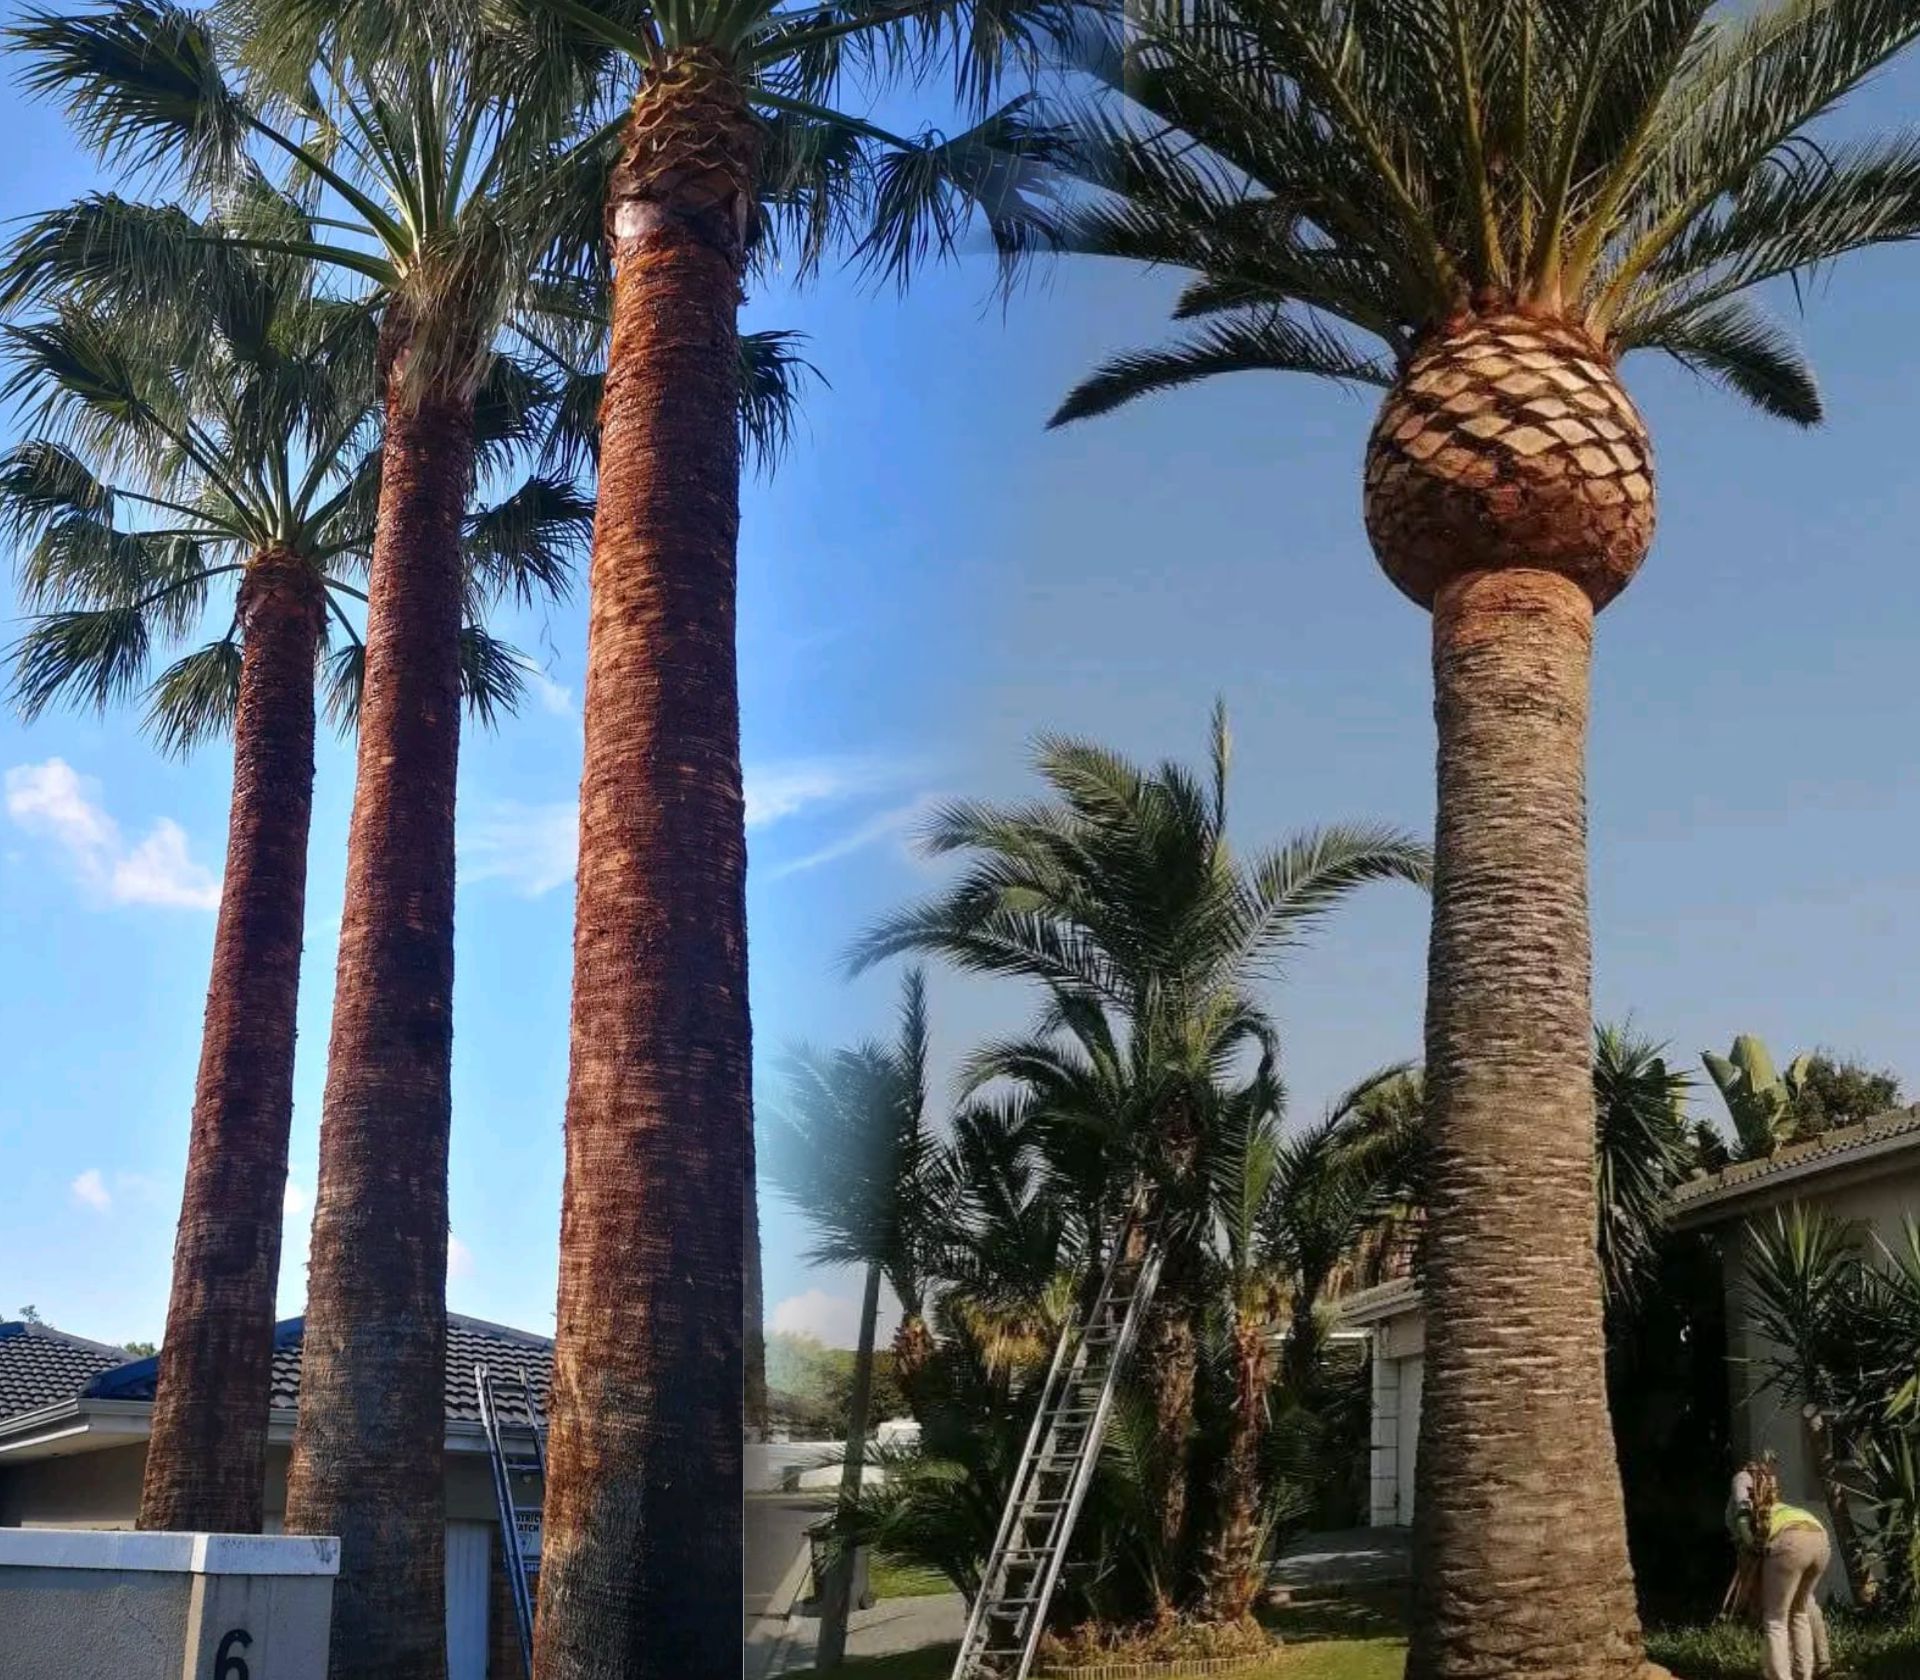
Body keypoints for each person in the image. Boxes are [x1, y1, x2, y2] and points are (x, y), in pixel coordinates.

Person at [1728, 1455, 1834, 1680]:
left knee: (1776, 1619)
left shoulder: (1741, 1480)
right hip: (1820, 1537)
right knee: (1800, 1611)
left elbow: (1743, 1521)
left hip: (1790, 1541)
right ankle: (1805, 1674)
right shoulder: (1778, 1504)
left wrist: (1752, 1545)